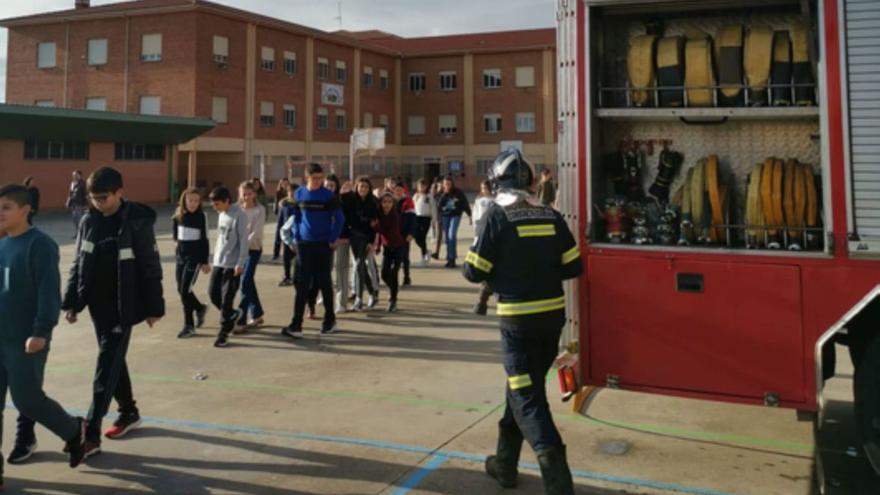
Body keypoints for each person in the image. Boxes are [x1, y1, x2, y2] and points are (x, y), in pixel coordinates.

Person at [463, 150, 583, 495]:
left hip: (518, 322)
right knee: (518, 391)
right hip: (551, 319)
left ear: (496, 182)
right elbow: (573, 265)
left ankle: (558, 480)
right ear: (530, 181)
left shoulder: (497, 216)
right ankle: (505, 466)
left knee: (527, 397)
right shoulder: (551, 214)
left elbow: (474, 271)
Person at [62, 166, 164, 457]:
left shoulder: (136, 222)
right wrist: (72, 302)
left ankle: (90, 432)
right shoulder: (88, 220)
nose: (98, 203)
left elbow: (150, 265)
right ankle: (129, 412)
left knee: (106, 365)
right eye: (93, 198)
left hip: (124, 306)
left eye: (104, 198)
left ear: (120, 192)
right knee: (114, 359)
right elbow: (78, 263)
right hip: (97, 305)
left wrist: (154, 307)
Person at [0, 184, 87, 474]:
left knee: (27, 400)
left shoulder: (40, 245)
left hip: (24, 341)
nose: (0, 213)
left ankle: (74, 430)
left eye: (6, 207)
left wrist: (41, 331)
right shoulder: (1, 244)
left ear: (26, 210)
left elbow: (49, 293)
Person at [281, 163, 345, 338]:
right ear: (306, 177)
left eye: (320, 178)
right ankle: (296, 325)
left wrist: (332, 239)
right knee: (301, 284)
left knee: (324, 283)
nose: (318, 181)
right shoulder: (299, 193)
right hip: (303, 245)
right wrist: (295, 237)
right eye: (314, 178)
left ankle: (330, 321)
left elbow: (339, 219)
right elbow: (296, 216)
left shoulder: (329, 196)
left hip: (323, 245)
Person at [207, 186, 249, 348]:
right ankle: (233, 314)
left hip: (233, 265)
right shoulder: (221, 215)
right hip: (219, 261)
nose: (215, 207)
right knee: (212, 294)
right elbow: (221, 239)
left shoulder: (239, 215)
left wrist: (240, 262)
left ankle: (224, 332)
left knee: (226, 299)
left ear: (227, 201)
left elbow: (244, 240)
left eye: (217, 204)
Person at [172, 189, 210, 339]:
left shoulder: (201, 217)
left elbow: (204, 240)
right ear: (184, 201)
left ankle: (189, 326)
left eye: (196, 200)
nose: (193, 203)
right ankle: (200, 308)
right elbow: (176, 236)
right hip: (180, 258)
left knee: (185, 290)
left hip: (194, 260)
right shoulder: (178, 215)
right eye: (190, 200)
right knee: (181, 290)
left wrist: (204, 262)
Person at [344, 177, 380, 311]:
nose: (363, 189)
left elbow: (374, 225)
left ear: (369, 189)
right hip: (353, 236)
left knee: (359, 264)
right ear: (357, 187)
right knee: (361, 267)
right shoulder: (351, 199)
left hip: (365, 238)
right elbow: (339, 203)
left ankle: (359, 298)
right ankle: (372, 293)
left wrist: (372, 242)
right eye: (361, 186)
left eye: (366, 187)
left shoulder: (373, 203)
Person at [235, 181, 266, 331]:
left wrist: (243, 243)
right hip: (238, 251)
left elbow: (256, 233)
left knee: (245, 282)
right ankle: (257, 313)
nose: (247, 197)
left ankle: (240, 320)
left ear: (255, 193)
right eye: (244, 194)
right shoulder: (236, 210)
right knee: (248, 281)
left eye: (250, 193)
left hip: (253, 250)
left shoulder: (260, 210)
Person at [375, 192, 414, 312]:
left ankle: (393, 300)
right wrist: (378, 246)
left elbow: (384, 230)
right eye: (384, 202)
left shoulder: (396, 216)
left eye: (389, 202)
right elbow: (380, 234)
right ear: (381, 203)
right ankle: (393, 289)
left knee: (393, 271)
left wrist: (410, 234)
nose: (387, 204)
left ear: (393, 204)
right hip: (387, 248)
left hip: (398, 247)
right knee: (384, 273)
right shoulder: (379, 216)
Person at [471, 180, 495, 315]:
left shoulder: (497, 200)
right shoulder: (479, 200)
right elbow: (476, 215)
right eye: (482, 188)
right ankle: (482, 300)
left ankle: (482, 301)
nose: (484, 189)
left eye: (486, 187)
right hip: (482, 231)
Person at [437, 175, 472, 268]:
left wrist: (470, 215)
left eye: (449, 184)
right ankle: (450, 258)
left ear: (452, 184)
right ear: (443, 185)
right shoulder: (441, 193)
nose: (447, 186)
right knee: (448, 239)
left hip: (455, 215)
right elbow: (438, 206)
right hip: (445, 216)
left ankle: (452, 259)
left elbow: (465, 203)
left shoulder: (458, 192)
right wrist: (444, 194)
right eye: (445, 184)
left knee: (451, 235)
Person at [393, 181, 416, 286]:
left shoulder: (408, 202)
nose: (398, 192)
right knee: (393, 258)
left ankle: (407, 277)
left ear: (403, 190)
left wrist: (411, 233)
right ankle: (393, 278)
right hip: (392, 234)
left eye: (400, 190)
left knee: (405, 257)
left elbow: (412, 219)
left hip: (405, 234)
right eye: (396, 190)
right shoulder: (390, 201)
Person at [276, 184, 297, 287]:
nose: (291, 193)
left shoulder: (300, 204)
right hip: (286, 236)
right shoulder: (284, 206)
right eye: (289, 191)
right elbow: (280, 223)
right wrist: (278, 239)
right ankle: (287, 276)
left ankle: (296, 276)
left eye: (293, 191)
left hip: (298, 237)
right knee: (286, 258)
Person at [411, 179, 434, 267]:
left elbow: (433, 208)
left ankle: (424, 257)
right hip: (416, 218)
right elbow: (412, 207)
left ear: (426, 187)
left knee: (422, 237)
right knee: (416, 237)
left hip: (426, 218)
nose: (422, 188)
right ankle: (426, 251)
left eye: (423, 186)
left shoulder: (429, 196)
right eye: (420, 186)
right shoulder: (415, 196)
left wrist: (434, 219)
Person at [272, 178, 291, 261]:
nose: (285, 185)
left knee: (288, 235)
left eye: (287, 183)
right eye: (283, 184)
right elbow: (276, 203)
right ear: (281, 184)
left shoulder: (290, 192)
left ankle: (289, 254)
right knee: (278, 235)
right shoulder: (278, 192)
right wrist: (276, 211)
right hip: (281, 214)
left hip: (289, 215)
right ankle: (276, 254)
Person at [67, 170, 89, 235]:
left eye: (76, 175)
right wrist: (68, 201)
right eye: (73, 175)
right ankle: (77, 232)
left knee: (80, 220)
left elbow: (86, 194)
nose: (75, 176)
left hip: (80, 204)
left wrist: (87, 204)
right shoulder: (72, 183)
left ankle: (82, 233)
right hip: (73, 205)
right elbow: (70, 193)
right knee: (75, 220)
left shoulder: (83, 184)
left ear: (80, 175)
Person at [430, 179, 444, 259]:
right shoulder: (435, 195)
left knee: (449, 236)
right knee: (439, 235)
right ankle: (437, 253)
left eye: (441, 185)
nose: (440, 187)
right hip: (439, 217)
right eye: (439, 185)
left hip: (446, 216)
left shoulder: (445, 193)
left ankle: (451, 254)